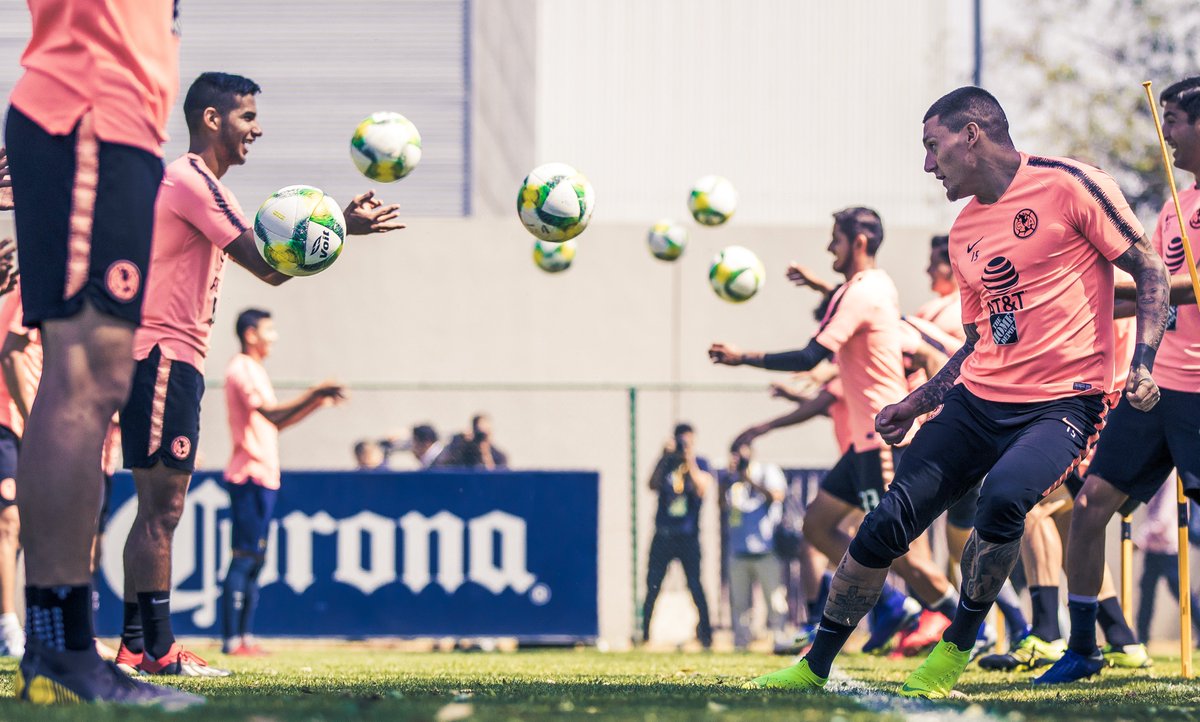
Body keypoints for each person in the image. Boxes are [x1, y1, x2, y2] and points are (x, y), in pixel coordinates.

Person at [747, 86, 1169, 697]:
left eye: (932, 146)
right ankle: (813, 665)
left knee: (1003, 499)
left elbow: (1149, 267)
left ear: (971, 136)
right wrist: (916, 403)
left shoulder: (1071, 184)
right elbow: (981, 340)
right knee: (885, 523)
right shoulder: (966, 228)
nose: (926, 164)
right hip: (978, 400)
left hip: (1065, 401)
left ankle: (957, 645)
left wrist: (1145, 362)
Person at [112, 72, 401, 678]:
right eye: (247, 117)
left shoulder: (186, 182)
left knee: (157, 510)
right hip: (165, 356)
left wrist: (340, 231)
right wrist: (341, 227)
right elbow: (264, 264)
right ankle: (157, 650)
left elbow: (267, 269)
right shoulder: (195, 180)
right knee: (161, 510)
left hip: (168, 357)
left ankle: (138, 646)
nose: (258, 129)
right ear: (212, 119)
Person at [1, 0, 205, 706]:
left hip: (113, 121)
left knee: (96, 376)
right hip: (90, 108)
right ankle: (60, 648)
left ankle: (61, 649)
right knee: (85, 373)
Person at [710, 207, 961, 656]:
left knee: (897, 548)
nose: (830, 248)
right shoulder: (869, 288)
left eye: (835, 239)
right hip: (863, 445)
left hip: (885, 441)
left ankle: (964, 623)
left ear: (859, 241)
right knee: (817, 524)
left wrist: (741, 356)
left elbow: (811, 356)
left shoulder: (862, 292)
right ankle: (892, 604)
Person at [1040, 76, 1200, 684]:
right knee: (1089, 504)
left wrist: (1109, 294)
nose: (1167, 134)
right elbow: (1156, 297)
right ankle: (1084, 647)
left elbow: (1181, 286)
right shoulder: (1171, 209)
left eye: (1175, 120)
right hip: (1156, 386)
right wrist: (1102, 312)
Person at [220, 309, 346, 655]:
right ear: (250, 334)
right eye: (268, 330)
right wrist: (313, 391)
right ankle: (233, 640)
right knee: (244, 557)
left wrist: (316, 402)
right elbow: (270, 414)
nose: (273, 337)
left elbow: (275, 423)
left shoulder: (255, 370)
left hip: (263, 475)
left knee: (255, 559)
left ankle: (244, 638)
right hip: (248, 474)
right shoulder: (242, 369)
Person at [641, 423, 714, 648]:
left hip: (687, 536)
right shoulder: (667, 463)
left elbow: (703, 487)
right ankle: (644, 635)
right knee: (653, 585)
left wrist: (688, 459)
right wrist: (664, 457)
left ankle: (706, 635)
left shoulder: (700, 463)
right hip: (663, 535)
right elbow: (651, 484)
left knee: (695, 584)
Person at [0, 281, 41, 658]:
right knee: (9, 523)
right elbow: (10, 354)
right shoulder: (32, 290)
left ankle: (25, 625)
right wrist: (33, 422)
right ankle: (8, 626)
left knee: (26, 528)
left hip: (19, 424)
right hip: (8, 423)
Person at [721, 441, 790, 651]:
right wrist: (728, 480)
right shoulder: (731, 481)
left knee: (775, 600)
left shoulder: (767, 471)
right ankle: (741, 643)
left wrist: (749, 478)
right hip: (738, 551)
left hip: (766, 550)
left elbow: (777, 496)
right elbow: (721, 505)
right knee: (739, 603)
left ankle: (779, 639)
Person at [1132, 483, 1200, 646]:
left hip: (1168, 548)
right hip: (1155, 547)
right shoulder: (1161, 477)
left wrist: (1139, 540)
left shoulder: (1171, 479)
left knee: (1182, 594)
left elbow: (1161, 518)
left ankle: (1142, 638)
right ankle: (1142, 638)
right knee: (1147, 593)